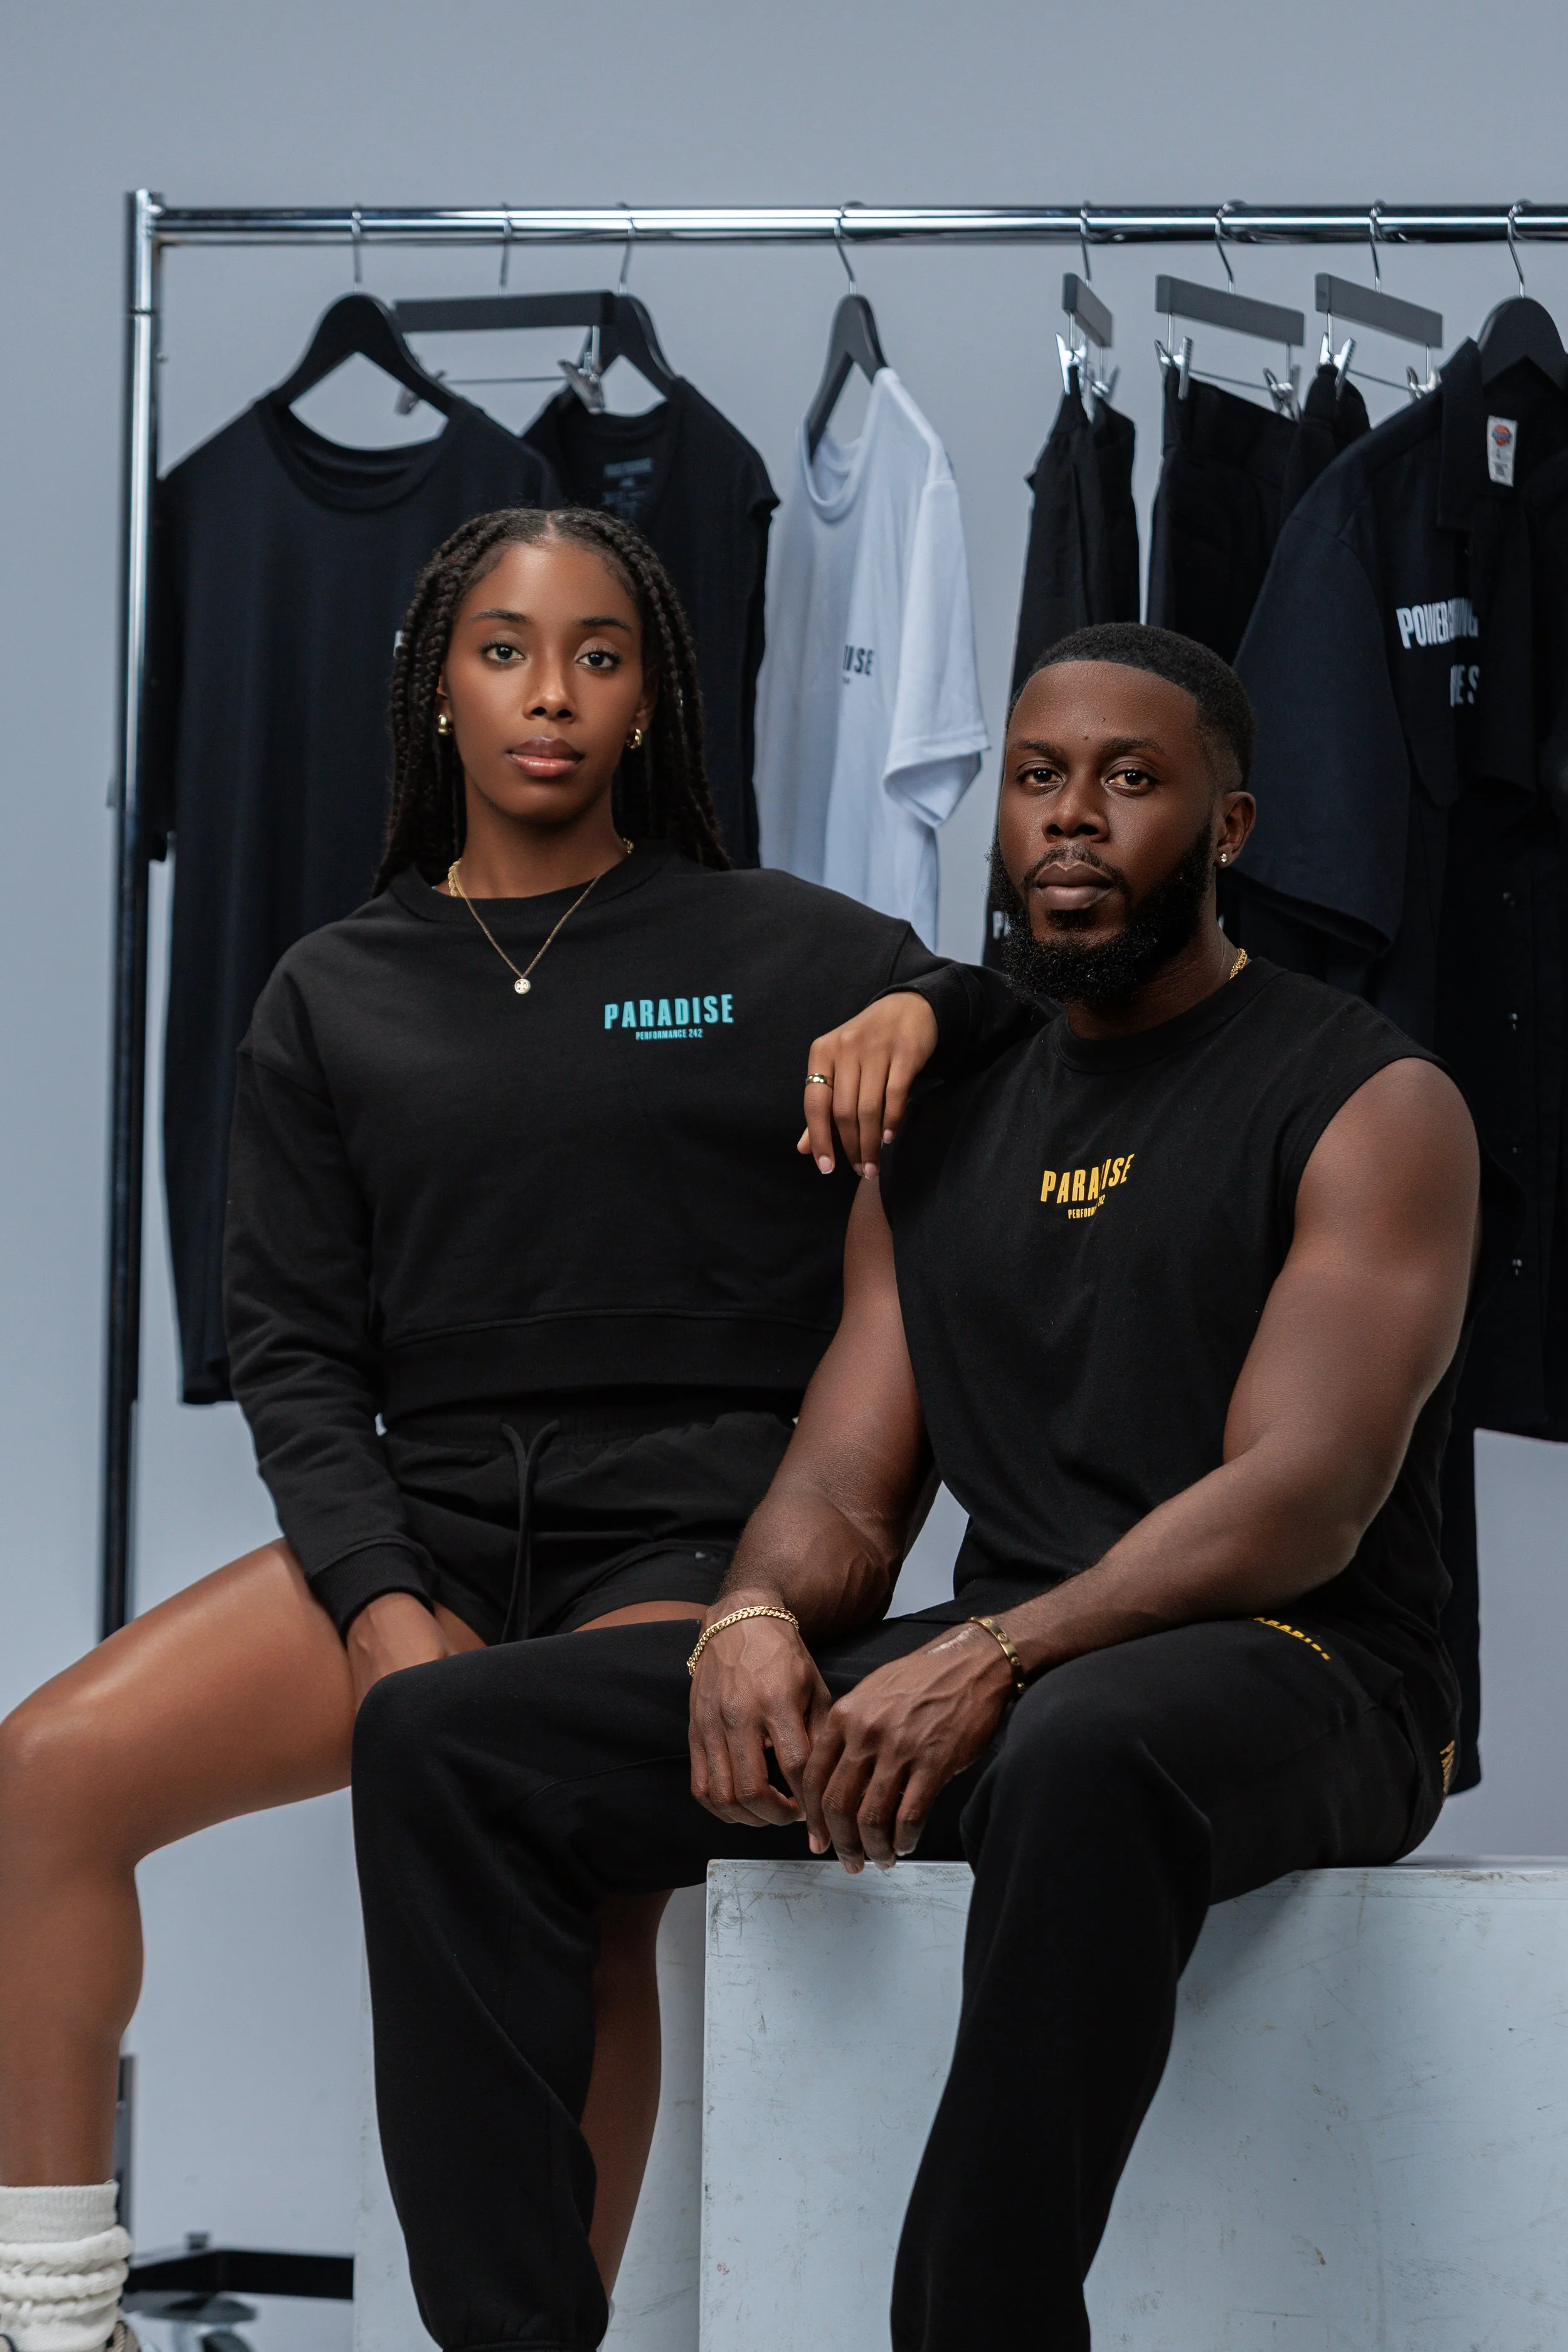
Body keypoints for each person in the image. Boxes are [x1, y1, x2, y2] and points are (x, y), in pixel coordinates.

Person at [351, 622, 1483, 2352]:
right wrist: (745, 1613)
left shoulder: (1366, 1097)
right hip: (1011, 1673)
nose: (1072, 821)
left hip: (1310, 1669)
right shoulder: (945, 1126)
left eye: (1128, 779)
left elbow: (1302, 1499)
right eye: (1037, 779)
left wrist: (1004, 1653)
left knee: (1088, 1745)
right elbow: (844, 1483)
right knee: (447, 1742)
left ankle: (978, 2325)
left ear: (1230, 827)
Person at [0, 508, 941, 2352]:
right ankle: (53, 2315)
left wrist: (922, 999)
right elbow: (289, 1347)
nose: (552, 694)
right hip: (419, 1528)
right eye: (506, 648)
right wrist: (375, 1605)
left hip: (681, 1538)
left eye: (599, 654)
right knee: (43, 1778)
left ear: (649, 691)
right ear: (438, 683)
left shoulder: (771, 946)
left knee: (575, 1861)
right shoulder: (332, 988)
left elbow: (1016, 1026)